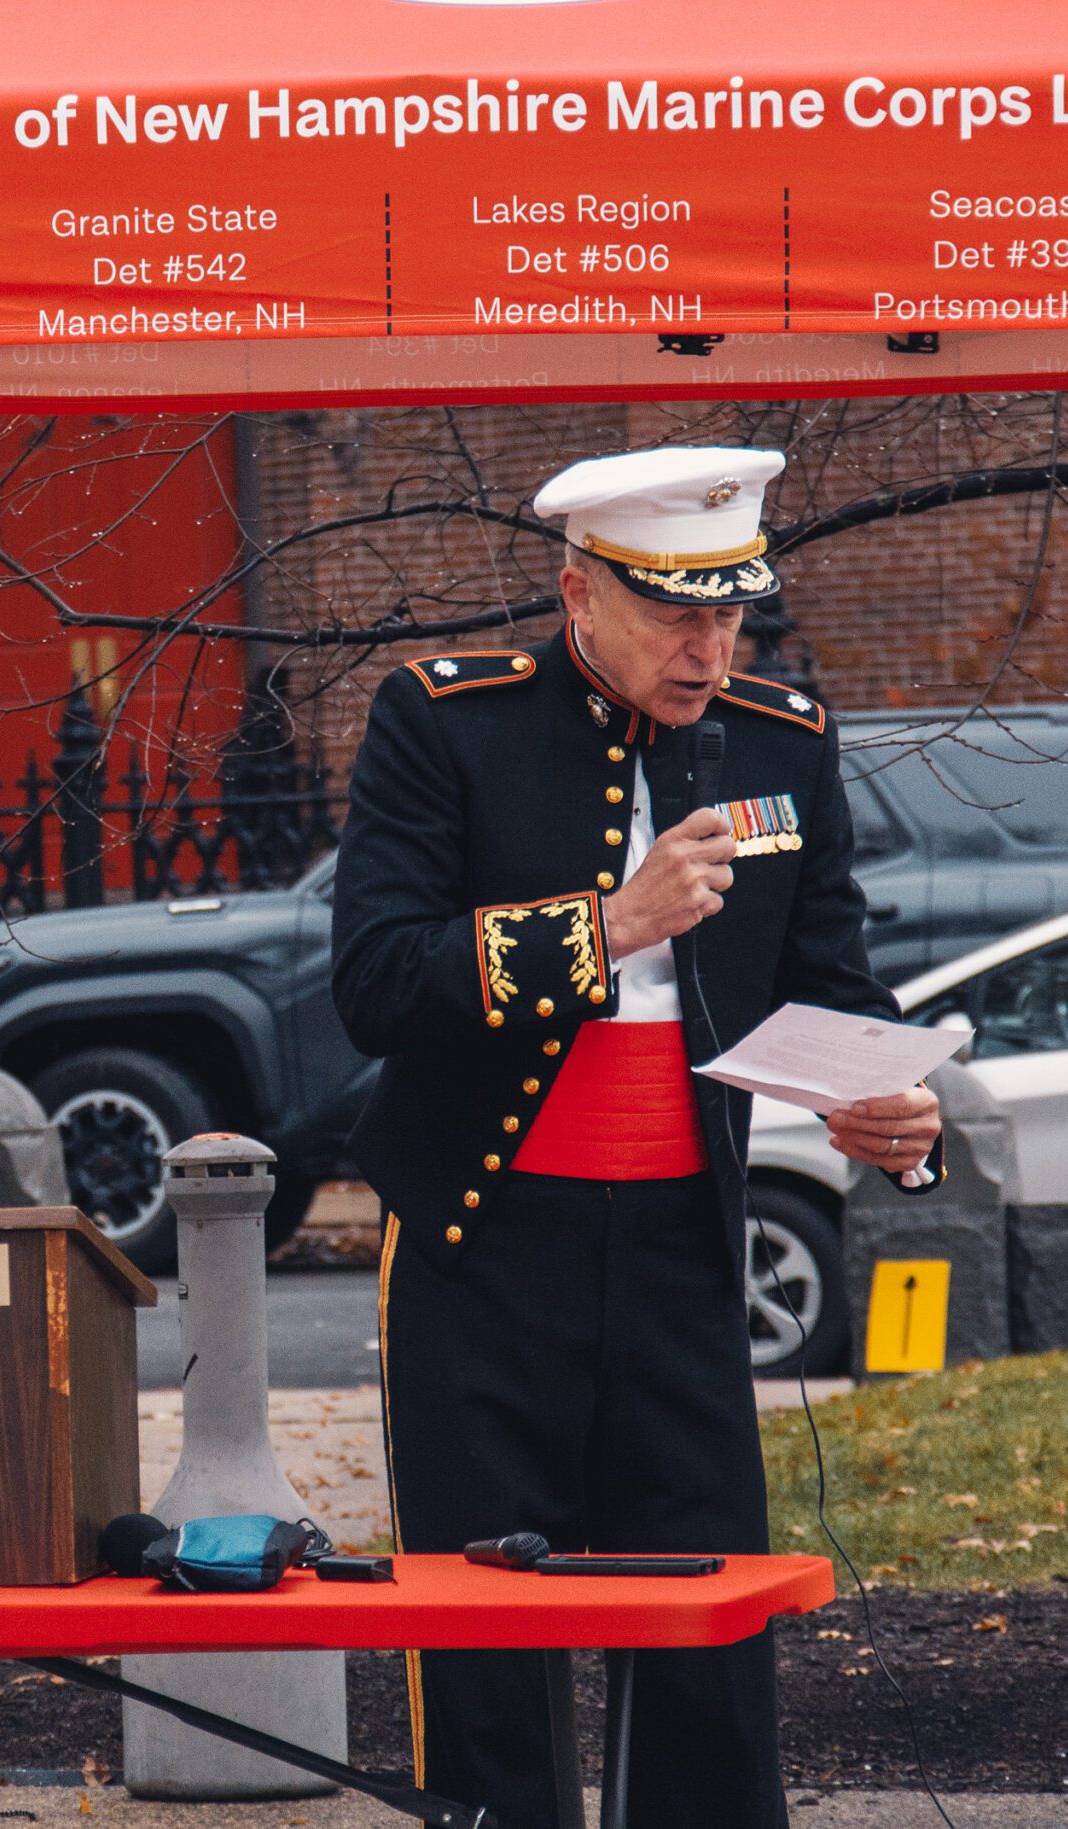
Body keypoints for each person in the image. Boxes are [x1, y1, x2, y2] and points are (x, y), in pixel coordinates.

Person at [332, 448, 943, 1828]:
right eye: (672, 609)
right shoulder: (447, 723)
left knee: (708, 1638)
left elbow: (835, 985)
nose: (706, 643)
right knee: (488, 1642)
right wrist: (601, 924)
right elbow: (375, 982)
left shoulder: (786, 737)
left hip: (682, 1244)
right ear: (577, 594)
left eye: (727, 610)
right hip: (482, 1248)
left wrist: (898, 1121)